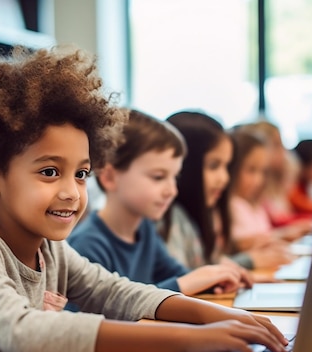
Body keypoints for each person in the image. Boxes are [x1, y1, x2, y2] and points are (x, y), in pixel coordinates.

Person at [0, 46, 287, 352]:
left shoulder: (52, 251)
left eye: (81, 173)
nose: (72, 191)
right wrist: (189, 339)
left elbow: (119, 292)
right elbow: (23, 332)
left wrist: (224, 315)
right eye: (50, 172)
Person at [68, 109, 252, 298]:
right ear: (109, 177)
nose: (172, 190)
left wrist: (213, 279)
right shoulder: (88, 244)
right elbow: (103, 315)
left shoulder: (145, 229)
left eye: (175, 177)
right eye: (158, 177)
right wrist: (183, 284)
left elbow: (178, 274)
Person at [159, 111, 294, 272]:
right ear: (186, 165)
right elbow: (186, 277)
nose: (224, 178)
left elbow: (206, 264)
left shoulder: (192, 218)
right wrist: (247, 261)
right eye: (214, 166)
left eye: (226, 167)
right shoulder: (170, 219)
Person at [228, 128, 311, 250]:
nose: (259, 180)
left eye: (263, 171)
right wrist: (281, 235)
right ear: (233, 168)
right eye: (251, 170)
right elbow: (238, 243)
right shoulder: (232, 205)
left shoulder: (256, 205)